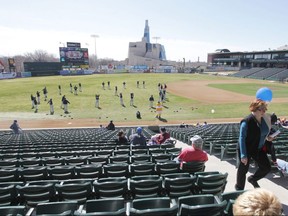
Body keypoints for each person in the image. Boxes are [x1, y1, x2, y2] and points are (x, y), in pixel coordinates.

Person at [235, 99, 273, 190]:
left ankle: (253, 179)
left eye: (265, 109)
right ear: (254, 109)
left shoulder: (265, 119)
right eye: (262, 109)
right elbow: (242, 138)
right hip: (246, 149)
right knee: (243, 170)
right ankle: (239, 190)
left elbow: (265, 133)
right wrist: (243, 155)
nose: (264, 111)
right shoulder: (246, 121)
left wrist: (269, 138)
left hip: (258, 148)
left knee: (266, 167)